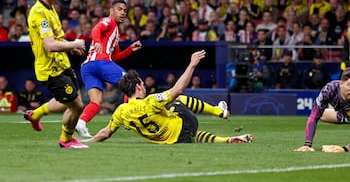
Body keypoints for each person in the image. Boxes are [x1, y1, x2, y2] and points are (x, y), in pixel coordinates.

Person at [84, 50, 254, 144]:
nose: (144, 86)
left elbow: (105, 133)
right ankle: (219, 113)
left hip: (170, 139)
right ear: (137, 87)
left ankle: (227, 139)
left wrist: (89, 141)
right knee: (177, 99)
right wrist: (192, 64)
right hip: (186, 125)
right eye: (142, 84)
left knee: (188, 133)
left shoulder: (120, 111)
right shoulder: (150, 101)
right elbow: (178, 89)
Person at [24, 0, 88, 149]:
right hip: (50, 69)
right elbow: (50, 45)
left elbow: (57, 39)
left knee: (73, 103)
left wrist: (70, 46)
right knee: (76, 105)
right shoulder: (38, 12)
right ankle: (66, 139)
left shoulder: (50, 7)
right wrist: (74, 42)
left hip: (62, 64)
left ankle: (35, 115)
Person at [75, 0, 143, 138]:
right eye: (119, 9)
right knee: (133, 83)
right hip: (101, 62)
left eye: (125, 10)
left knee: (96, 101)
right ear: (111, 10)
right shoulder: (109, 21)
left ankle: (81, 123)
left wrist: (130, 49)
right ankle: (130, 117)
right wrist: (98, 42)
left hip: (87, 67)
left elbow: (116, 56)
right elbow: (96, 29)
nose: (123, 13)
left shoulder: (115, 33)